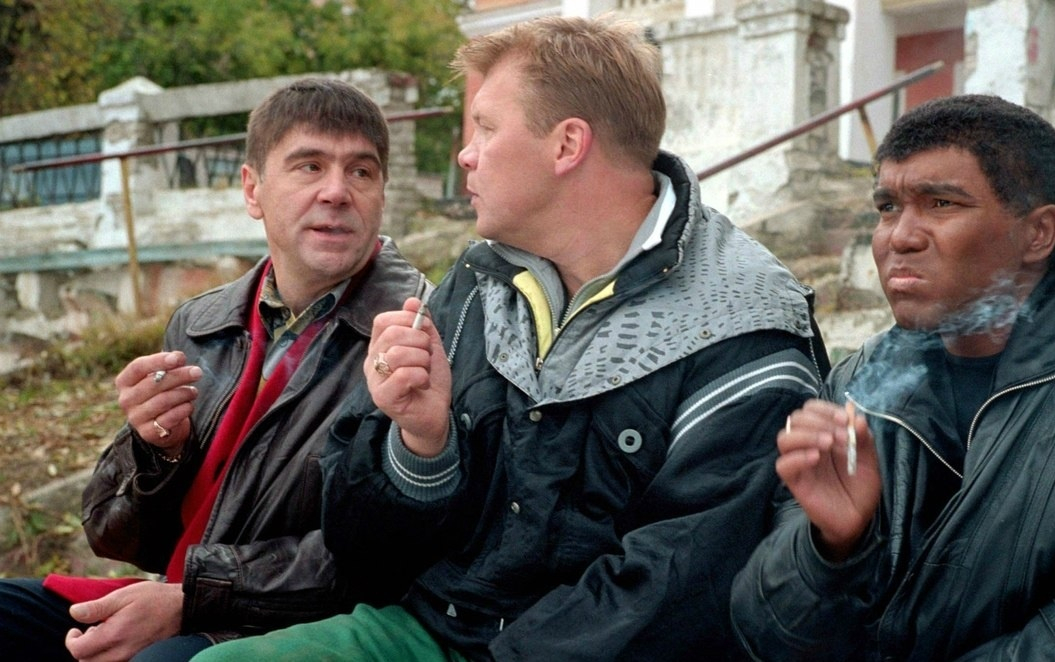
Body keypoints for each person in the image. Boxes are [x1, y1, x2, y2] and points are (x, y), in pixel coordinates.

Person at [192, 15, 828, 662]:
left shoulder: (742, 322)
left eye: (486, 128)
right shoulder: (479, 280)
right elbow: (359, 554)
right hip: (430, 629)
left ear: (567, 145)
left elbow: (678, 595)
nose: (465, 154)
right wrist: (419, 446)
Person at [728, 93, 1055, 661]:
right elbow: (762, 632)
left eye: (941, 203)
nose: (899, 237)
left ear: (1037, 233)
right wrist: (829, 551)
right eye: (888, 207)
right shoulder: (859, 386)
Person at [0, 77, 429, 661]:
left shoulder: (416, 336)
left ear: (381, 193)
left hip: (287, 629)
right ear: (253, 190)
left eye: (361, 171)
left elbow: (384, 555)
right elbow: (114, 535)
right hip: (179, 595)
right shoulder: (203, 322)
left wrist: (191, 600)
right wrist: (158, 450)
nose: (336, 191)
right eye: (309, 166)